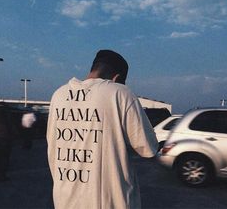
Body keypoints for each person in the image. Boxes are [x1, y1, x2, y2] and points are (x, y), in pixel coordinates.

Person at [47, 49, 158, 209]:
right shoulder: (120, 93)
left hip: (65, 199)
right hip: (109, 202)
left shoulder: (58, 95)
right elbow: (148, 148)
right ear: (117, 78)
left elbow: (52, 145)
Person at [0, 102, 12, 182]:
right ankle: (1, 176)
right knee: (4, 158)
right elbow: (9, 125)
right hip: (3, 137)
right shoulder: (5, 114)